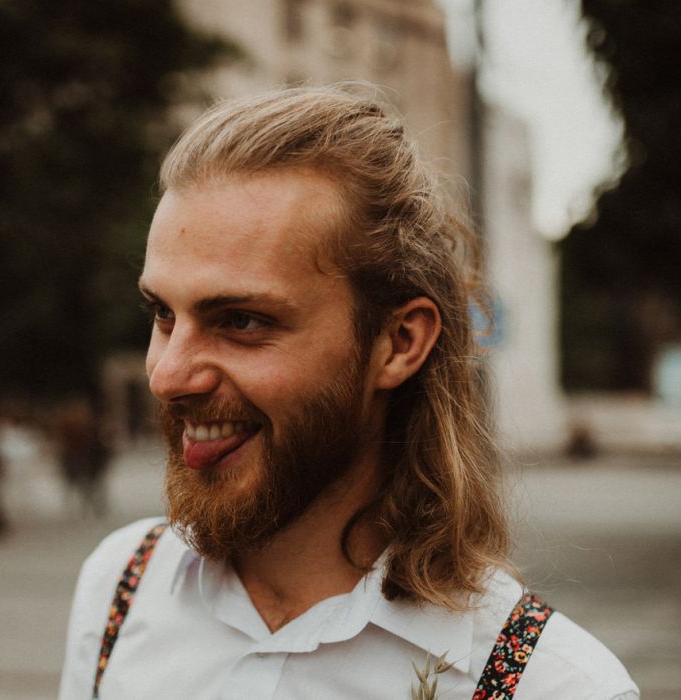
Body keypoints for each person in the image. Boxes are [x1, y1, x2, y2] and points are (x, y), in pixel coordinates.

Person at [59, 86, 638, 699]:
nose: (168, 376)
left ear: (399, 342)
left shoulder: (549, 686)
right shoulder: (122, 587)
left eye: (242, 321)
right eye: (163, 315)